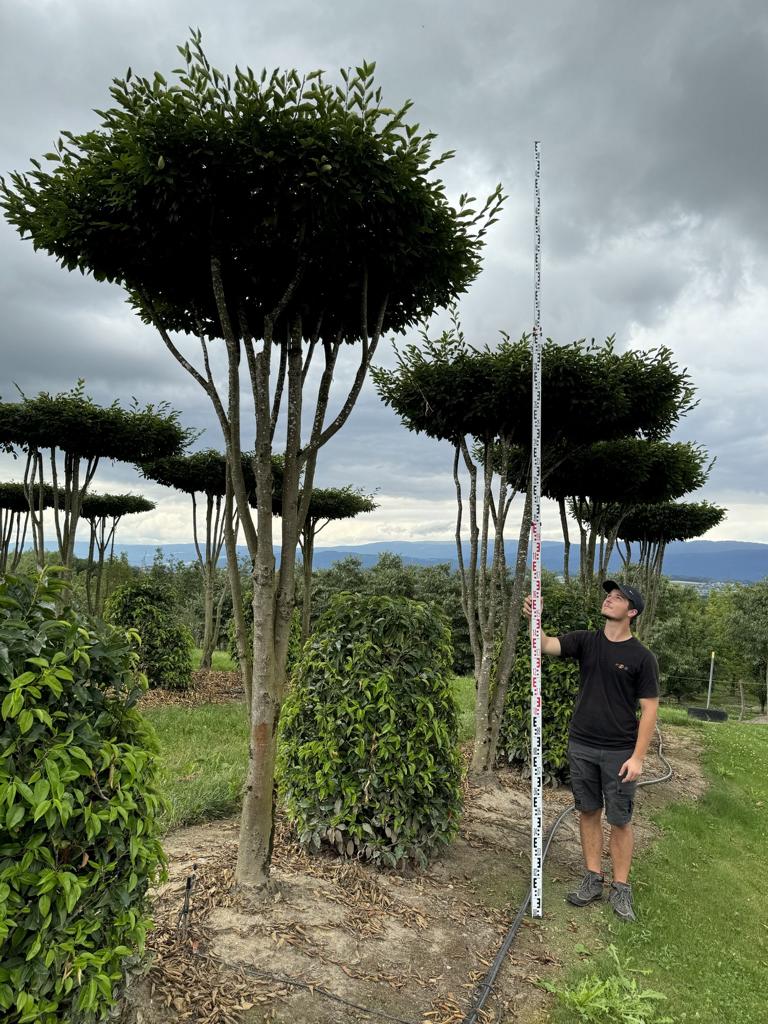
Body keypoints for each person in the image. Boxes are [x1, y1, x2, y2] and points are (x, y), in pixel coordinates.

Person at [523, 580, 659, 922]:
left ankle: (621, 888)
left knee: (621, 820)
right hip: (581, 744)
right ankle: (592, 878)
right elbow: (545, 646)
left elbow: (650, 710)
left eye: (618, 598)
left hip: (619, 752)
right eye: (608, 594)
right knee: (587, 812)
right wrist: (533, 619)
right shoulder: (586, 641)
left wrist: (638, 757)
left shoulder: (642, 658)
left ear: (632, 612)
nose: (609, 599)